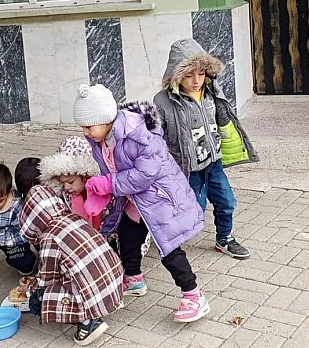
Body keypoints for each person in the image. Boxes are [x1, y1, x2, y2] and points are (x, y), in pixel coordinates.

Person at [74, 84, 210, 323]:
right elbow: (113, 167)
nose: (85, 132)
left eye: (89, 126)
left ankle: (194, 295)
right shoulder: (101, 139)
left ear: (106, 119)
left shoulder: (140, 134)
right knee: (127, 236)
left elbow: (145, 174)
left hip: (160, 199)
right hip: (134, 201)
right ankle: (134, 279)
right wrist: (104, 191)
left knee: (169, 249)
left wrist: (109, 184)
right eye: (82, 126)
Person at [154, 38, 258, 260]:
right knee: (195, 210)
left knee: (227, 202)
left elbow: (225, 120)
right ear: (176, 74)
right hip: (188, 167)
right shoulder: (163, 101)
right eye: (189, 75)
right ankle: (165, 233)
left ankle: (225, 238)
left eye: (201, 74)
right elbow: (155, 136)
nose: (196, 81)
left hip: (213, 162)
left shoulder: (212, 92)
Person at [20, 185, 123, 345]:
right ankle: (103, 305)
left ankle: (88, 322)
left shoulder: (49, 236)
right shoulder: (74, 218)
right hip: (115, 282)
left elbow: (47, 278)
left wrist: (29, 288)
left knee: (38, 300)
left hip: (96, 291)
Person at [39, 136, 106, 229]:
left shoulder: (104, 194)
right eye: (62, 183)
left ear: (85, 175)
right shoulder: (65, 197)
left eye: (70, 182)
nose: (66, 187)